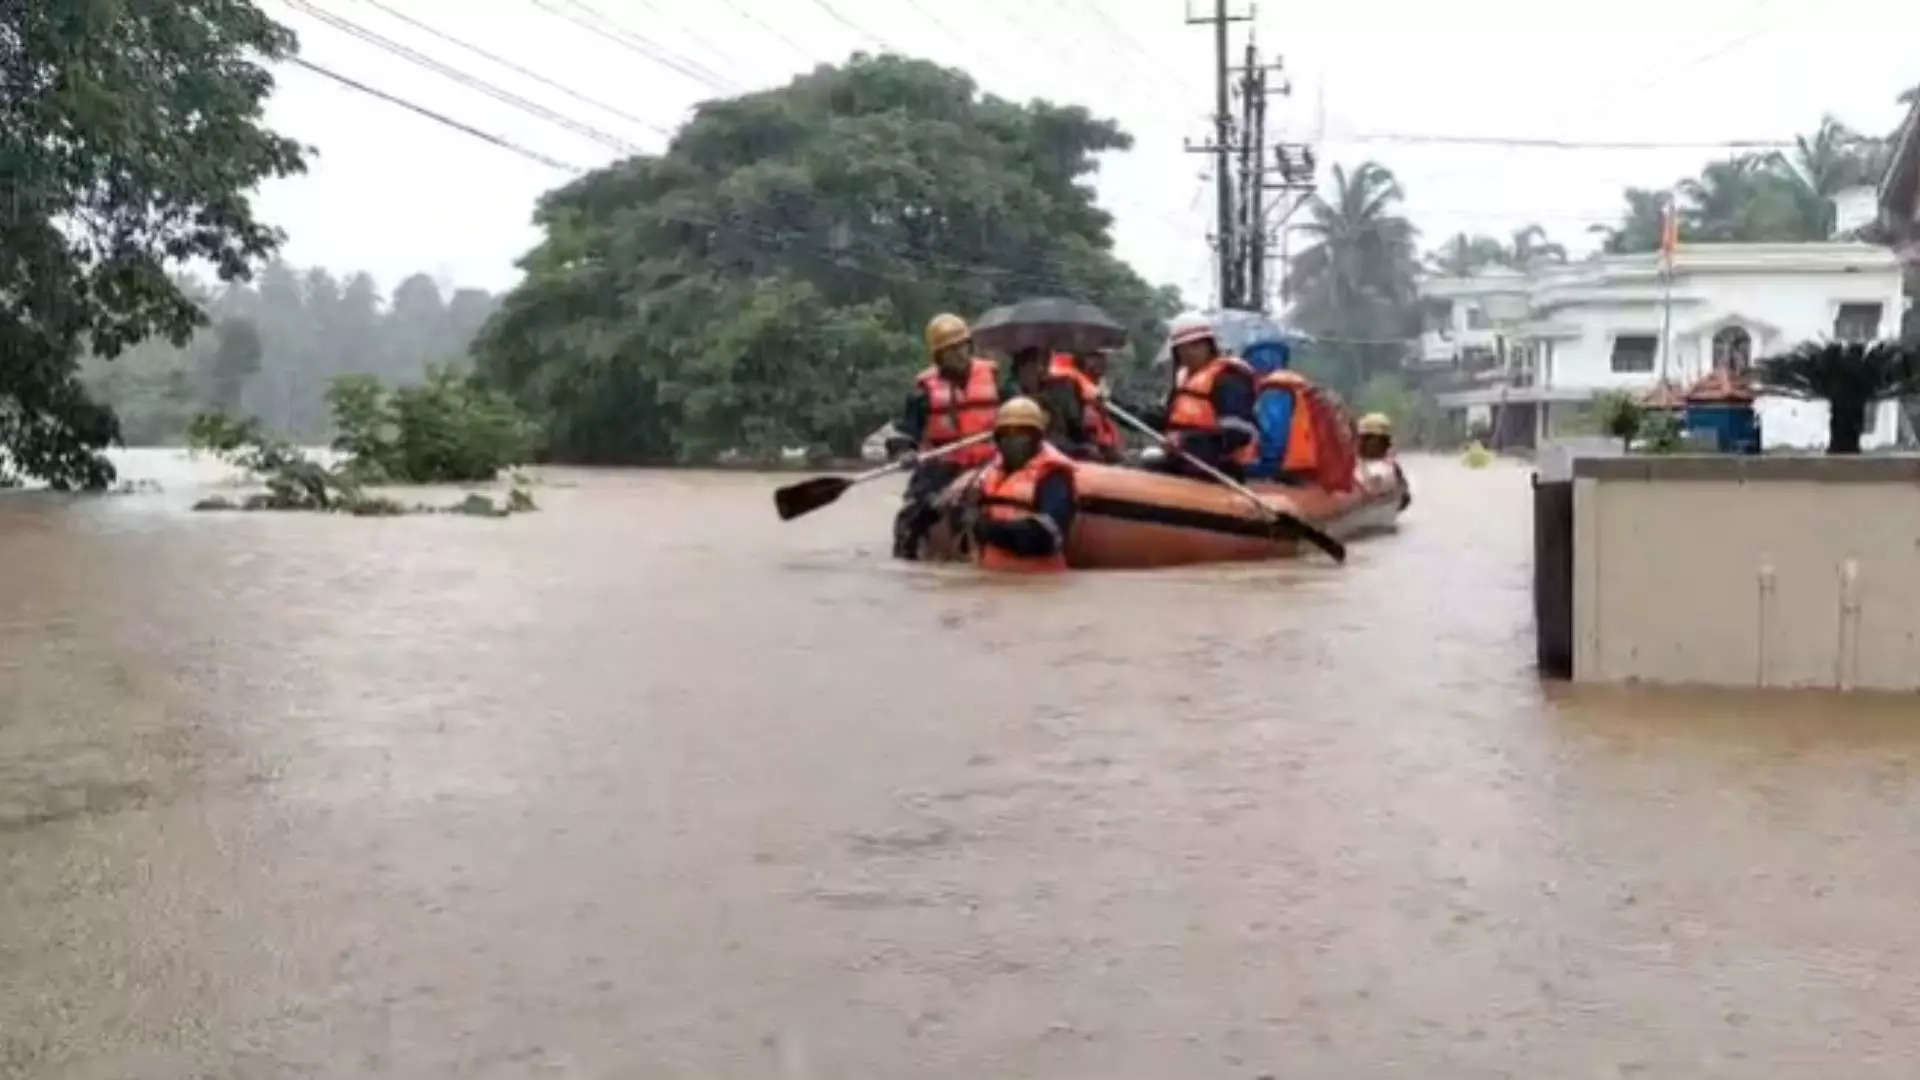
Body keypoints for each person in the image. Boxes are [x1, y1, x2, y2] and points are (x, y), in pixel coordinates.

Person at [888, 313, 999, 559]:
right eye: (951, 350)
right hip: (943, 466)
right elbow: (907, 432)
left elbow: (1018, 410)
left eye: (963, 346)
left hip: (990, 461)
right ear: (939, 356)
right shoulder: (922, 393)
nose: (960, 354)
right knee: (914, 512)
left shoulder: (995, 377)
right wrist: (906, 451)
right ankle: (905, 555)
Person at [969, 397, 1077, 572]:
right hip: (992, 579)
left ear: (1036, 438)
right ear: (998, 440)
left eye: (1022, 433)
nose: (1013, 441)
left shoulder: (1053, 477)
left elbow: (1047, 536)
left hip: (1037, 584)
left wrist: (991, 530)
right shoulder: (990, 475)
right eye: (1006, 434)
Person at [1156, 311, 1256, 480]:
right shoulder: (1183, 380)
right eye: (1183, 347)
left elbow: (1238, 433)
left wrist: (1186, 441)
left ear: (1210, 346)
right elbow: (1168, 421)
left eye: (1196, 345)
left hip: (1219, 469)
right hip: (1182, 463)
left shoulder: (1228, 379)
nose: (1188, 352)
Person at [1040, 350, 1123, 462]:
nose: (1101, 362)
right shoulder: (1065, 382)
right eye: (1094, 356)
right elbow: (1061, 435)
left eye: (1102, 357)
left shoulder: (1094, 391)